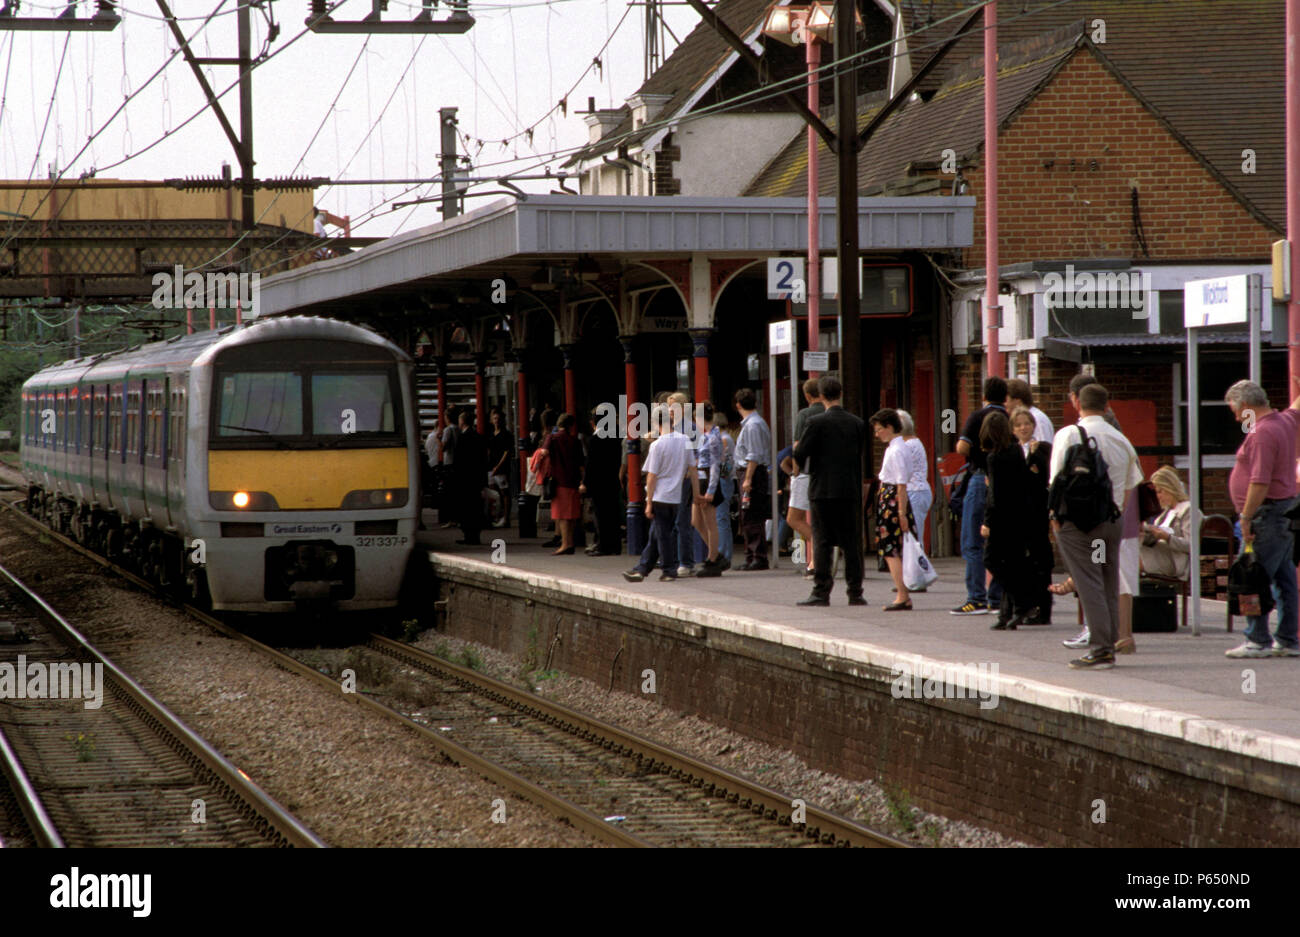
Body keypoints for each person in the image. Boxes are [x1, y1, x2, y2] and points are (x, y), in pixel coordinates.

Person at [1048, 382, 1143, 669]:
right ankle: (1110, 642)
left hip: (1077, 526)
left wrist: (1055, 521)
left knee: (1088, 581)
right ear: (1106, 405)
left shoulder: (1068, 435)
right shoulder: (1121, 439)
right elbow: (1130, 487)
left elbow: (1054, 482)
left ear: (1076, 402)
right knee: (1106, 578)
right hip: (1109, 524)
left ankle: (1101, 648)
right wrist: (1112, 514)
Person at [1223, 378, 1300, 658]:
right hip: (1285, 511)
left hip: (1266, 513)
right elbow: (1296, 408)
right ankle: (1288, 639)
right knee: (1284, 578)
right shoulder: (1285, 422)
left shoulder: (1262, 433)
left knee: (1252, 575)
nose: (1233, 415)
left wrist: (1246, 516)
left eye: (1233, 409)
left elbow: (1259, 481)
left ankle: (1257, 638)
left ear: (1245, 406)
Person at [794, 377, 867, 607]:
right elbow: (860, 453)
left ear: (821, 396)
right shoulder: (856, 423)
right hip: (849, 490)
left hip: (823, 490)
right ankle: (855, 592)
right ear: (840, 393)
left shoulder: (815, 423)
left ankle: (821, 591)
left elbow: (800, 453)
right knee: (852, 543)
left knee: (823, 541)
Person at [952, 377, 1009, 615]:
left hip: (979, 477)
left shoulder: (977, 416)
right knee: (998, 541)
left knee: (972, 542)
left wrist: (974, 449)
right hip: (1004, 481)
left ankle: (976, 598)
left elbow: (962, 448)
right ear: (1005, 397)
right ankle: (996, 597)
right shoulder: (1009, 418)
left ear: (984, 395)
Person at [623, 404, 696, 582]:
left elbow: (651, 476)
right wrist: (697, 493)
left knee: (662, 534)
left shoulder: (656, 445)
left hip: (660, 496)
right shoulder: (685, 440)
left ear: (656, 422)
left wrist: (648, 502)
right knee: (656, 534)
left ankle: (668, 570)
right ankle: (642, 569)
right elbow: (693, 468)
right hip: (676, 496)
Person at [979, 410, 1036, 629]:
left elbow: (994, 495)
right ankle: (1006, 613)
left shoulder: (994, 458)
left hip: (1001, 519)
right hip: (1019, 516)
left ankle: (1023, 602)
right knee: (1012, 562)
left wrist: (987, 521)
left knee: (992, 560)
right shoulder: (1015, 451)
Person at [1011, 406, 1053, 624]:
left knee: (1040, 559)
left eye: (1026, 423)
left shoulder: (1044, 448)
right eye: (1018, 425)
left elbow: (1046, 475)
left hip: (1037, 511)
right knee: (1022, 561)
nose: (1023, 428)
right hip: (1018, 513)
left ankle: (1043, 609)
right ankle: (1025, 606)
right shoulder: (1012, 451)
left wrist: (1035, 455)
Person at [869, 407, 914, 611]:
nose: (876, 434)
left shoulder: (896, 450)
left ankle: (902, 594)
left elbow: (901, 484)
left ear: (889, 427)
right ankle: (903, 592)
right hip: (893, 499)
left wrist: (901, 513)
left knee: (890, 549)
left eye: (879, 429)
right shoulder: (898, 447)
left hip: (892, 500)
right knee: (896, 548)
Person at [787, 379, 824, 577]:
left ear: (807, 395)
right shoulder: (828, 412)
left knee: (794, 518)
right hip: (826, 473)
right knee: (819, 517)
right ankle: (814, 561)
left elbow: (797, 446)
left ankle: (819, 552)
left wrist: (795, 471)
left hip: (806, 472)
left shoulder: (805, 414)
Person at [733, 387, 772, 570]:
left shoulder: (753, 425)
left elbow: (754, 455)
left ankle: (758, 556)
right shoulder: (754, 423)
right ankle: (751, 556)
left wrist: (747, 479)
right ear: (755, 403)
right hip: (751, 472)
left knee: (752, 514)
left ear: (738, 405)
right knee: (747, 515)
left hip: (752, 473)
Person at [1139, 466, 1198, 580]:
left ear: (1170, 488)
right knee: (1127, 550)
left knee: (1127, 560)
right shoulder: (1165, 514)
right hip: (1160, 553)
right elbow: (1153, 540)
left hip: (1175, 560)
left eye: (1160, 491)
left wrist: (1167, 537)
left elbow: (1192, 545)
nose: (1157, 497)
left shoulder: (1189, 511)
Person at [666, 392, 702, 576]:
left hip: (684, 480)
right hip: (671, 479)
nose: (669, 411)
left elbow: (695, 457)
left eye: (672, 407)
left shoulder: (690, 429)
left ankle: (686, 562)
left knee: (682, 520)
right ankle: (673, 560)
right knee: (672, 521)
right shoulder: (670, 427)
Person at [584, 407, 624, 556]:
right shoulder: (617, 435)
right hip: (613, 479)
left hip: (599, 482)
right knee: (613, 514)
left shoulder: (595, 439)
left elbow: (590, 463)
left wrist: (585, 482)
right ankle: (615, 546)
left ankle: (604, 545)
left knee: (601, 516)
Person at [692, 401, 725, 576]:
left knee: (710, 523)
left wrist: (711, 490)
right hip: (700, 477)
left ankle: (712, 559)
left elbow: (715, 465)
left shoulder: (713, 437)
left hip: (707, 479)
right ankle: (716, 554)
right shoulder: (704, 435)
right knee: (696, 520)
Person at [545, 413, 586, 555]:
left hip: (559, 480)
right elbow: (581, 464)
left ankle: (565, 543)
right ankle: (571, 542)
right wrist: (582, 481)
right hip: (573, 481)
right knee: (571, 514)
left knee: (562, 516)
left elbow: (543, 453)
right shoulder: (575, 441)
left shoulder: (552, 438)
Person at [896, 409, 932, 556]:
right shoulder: (915, 442)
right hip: (919, 490)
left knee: (913, 536)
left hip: (914, 492)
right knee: (915, 534)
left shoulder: (907, 446)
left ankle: (917, 572)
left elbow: (899, 474)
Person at [453, 409, 488, 545]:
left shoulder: (462, 438)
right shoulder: (478, 437)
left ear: (462, 422)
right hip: (476, 478)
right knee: (475, 507)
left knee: (466, 508)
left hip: (465, 480)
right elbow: (482, 460)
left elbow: (459, 461)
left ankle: (468, 535)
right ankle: (475, 535)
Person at [713, 412, 737, 571]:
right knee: (722, 518)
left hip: (723, 480)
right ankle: (724, 552)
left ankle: (724, 553)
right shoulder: (727, 437)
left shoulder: (723, 439)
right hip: (726, 479)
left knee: (721, 518)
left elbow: (724, 463)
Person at [486, 408, 514, 528]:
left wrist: (499, 465)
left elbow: (507, 452)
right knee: (493, 492)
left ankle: (506, 518)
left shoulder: (506, 434)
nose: (496, 421)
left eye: (498, 418)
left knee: (504, 492)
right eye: (494, 418)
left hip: (501, 467)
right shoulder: (491, 434)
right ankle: (496, 515)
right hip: (490, 466)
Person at [1006, 378, 1054, 442]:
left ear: (1018, 401)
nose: (1003, 404)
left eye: (1005, 400)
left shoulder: (1038, 419)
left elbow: (1044, 448)